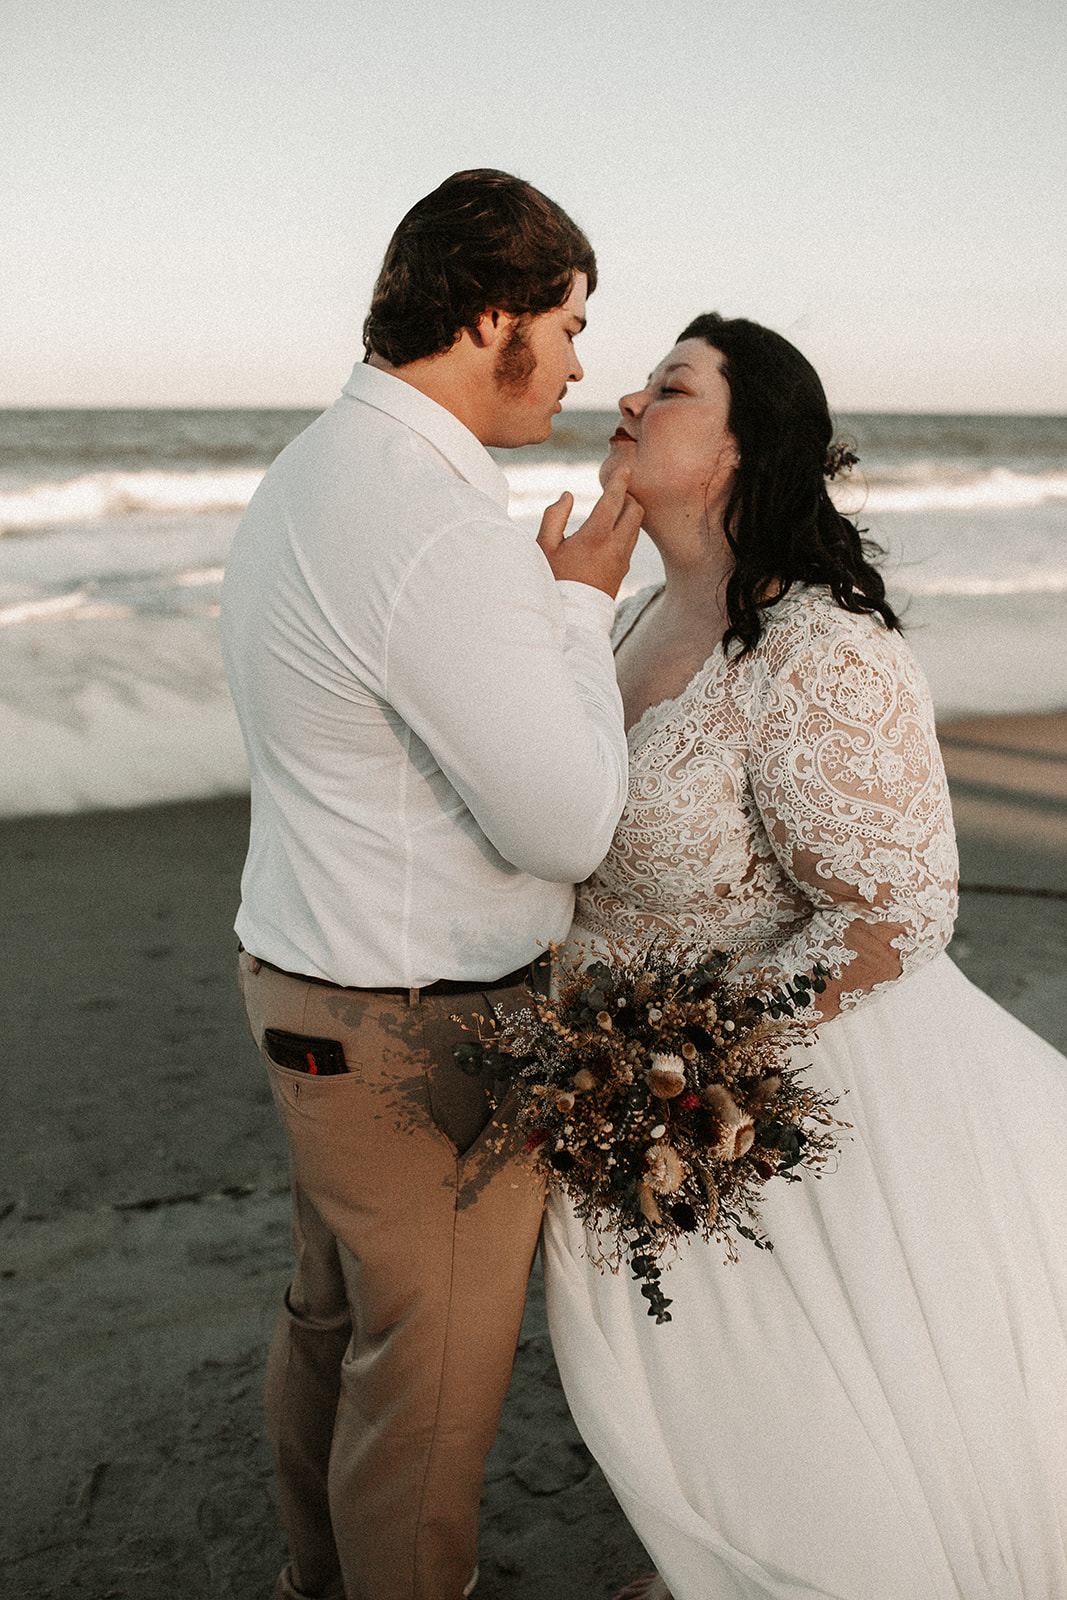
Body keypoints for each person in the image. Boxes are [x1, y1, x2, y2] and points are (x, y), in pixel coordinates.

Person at [541, 313, 1067, 1600]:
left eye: (668, 386)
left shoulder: (819, 645)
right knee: (687, 1375)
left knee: (808, 1388)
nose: (625, 394)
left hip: (777, 1091)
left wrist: (683, 1051)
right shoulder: (634, 619)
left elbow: (896, 910)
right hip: (644, 1087)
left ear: (737, 448)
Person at [220, 169, 642, 1600]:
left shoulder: (313, 469)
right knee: (433, 1396)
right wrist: (576, 608)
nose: (582, 364)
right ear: (487, 317)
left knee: (336, 1329)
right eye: (569, 324)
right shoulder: (434, 527)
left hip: (308, 990)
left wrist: (520, 617)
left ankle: (310, 1580)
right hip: (418, 1038)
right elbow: (569, 826)